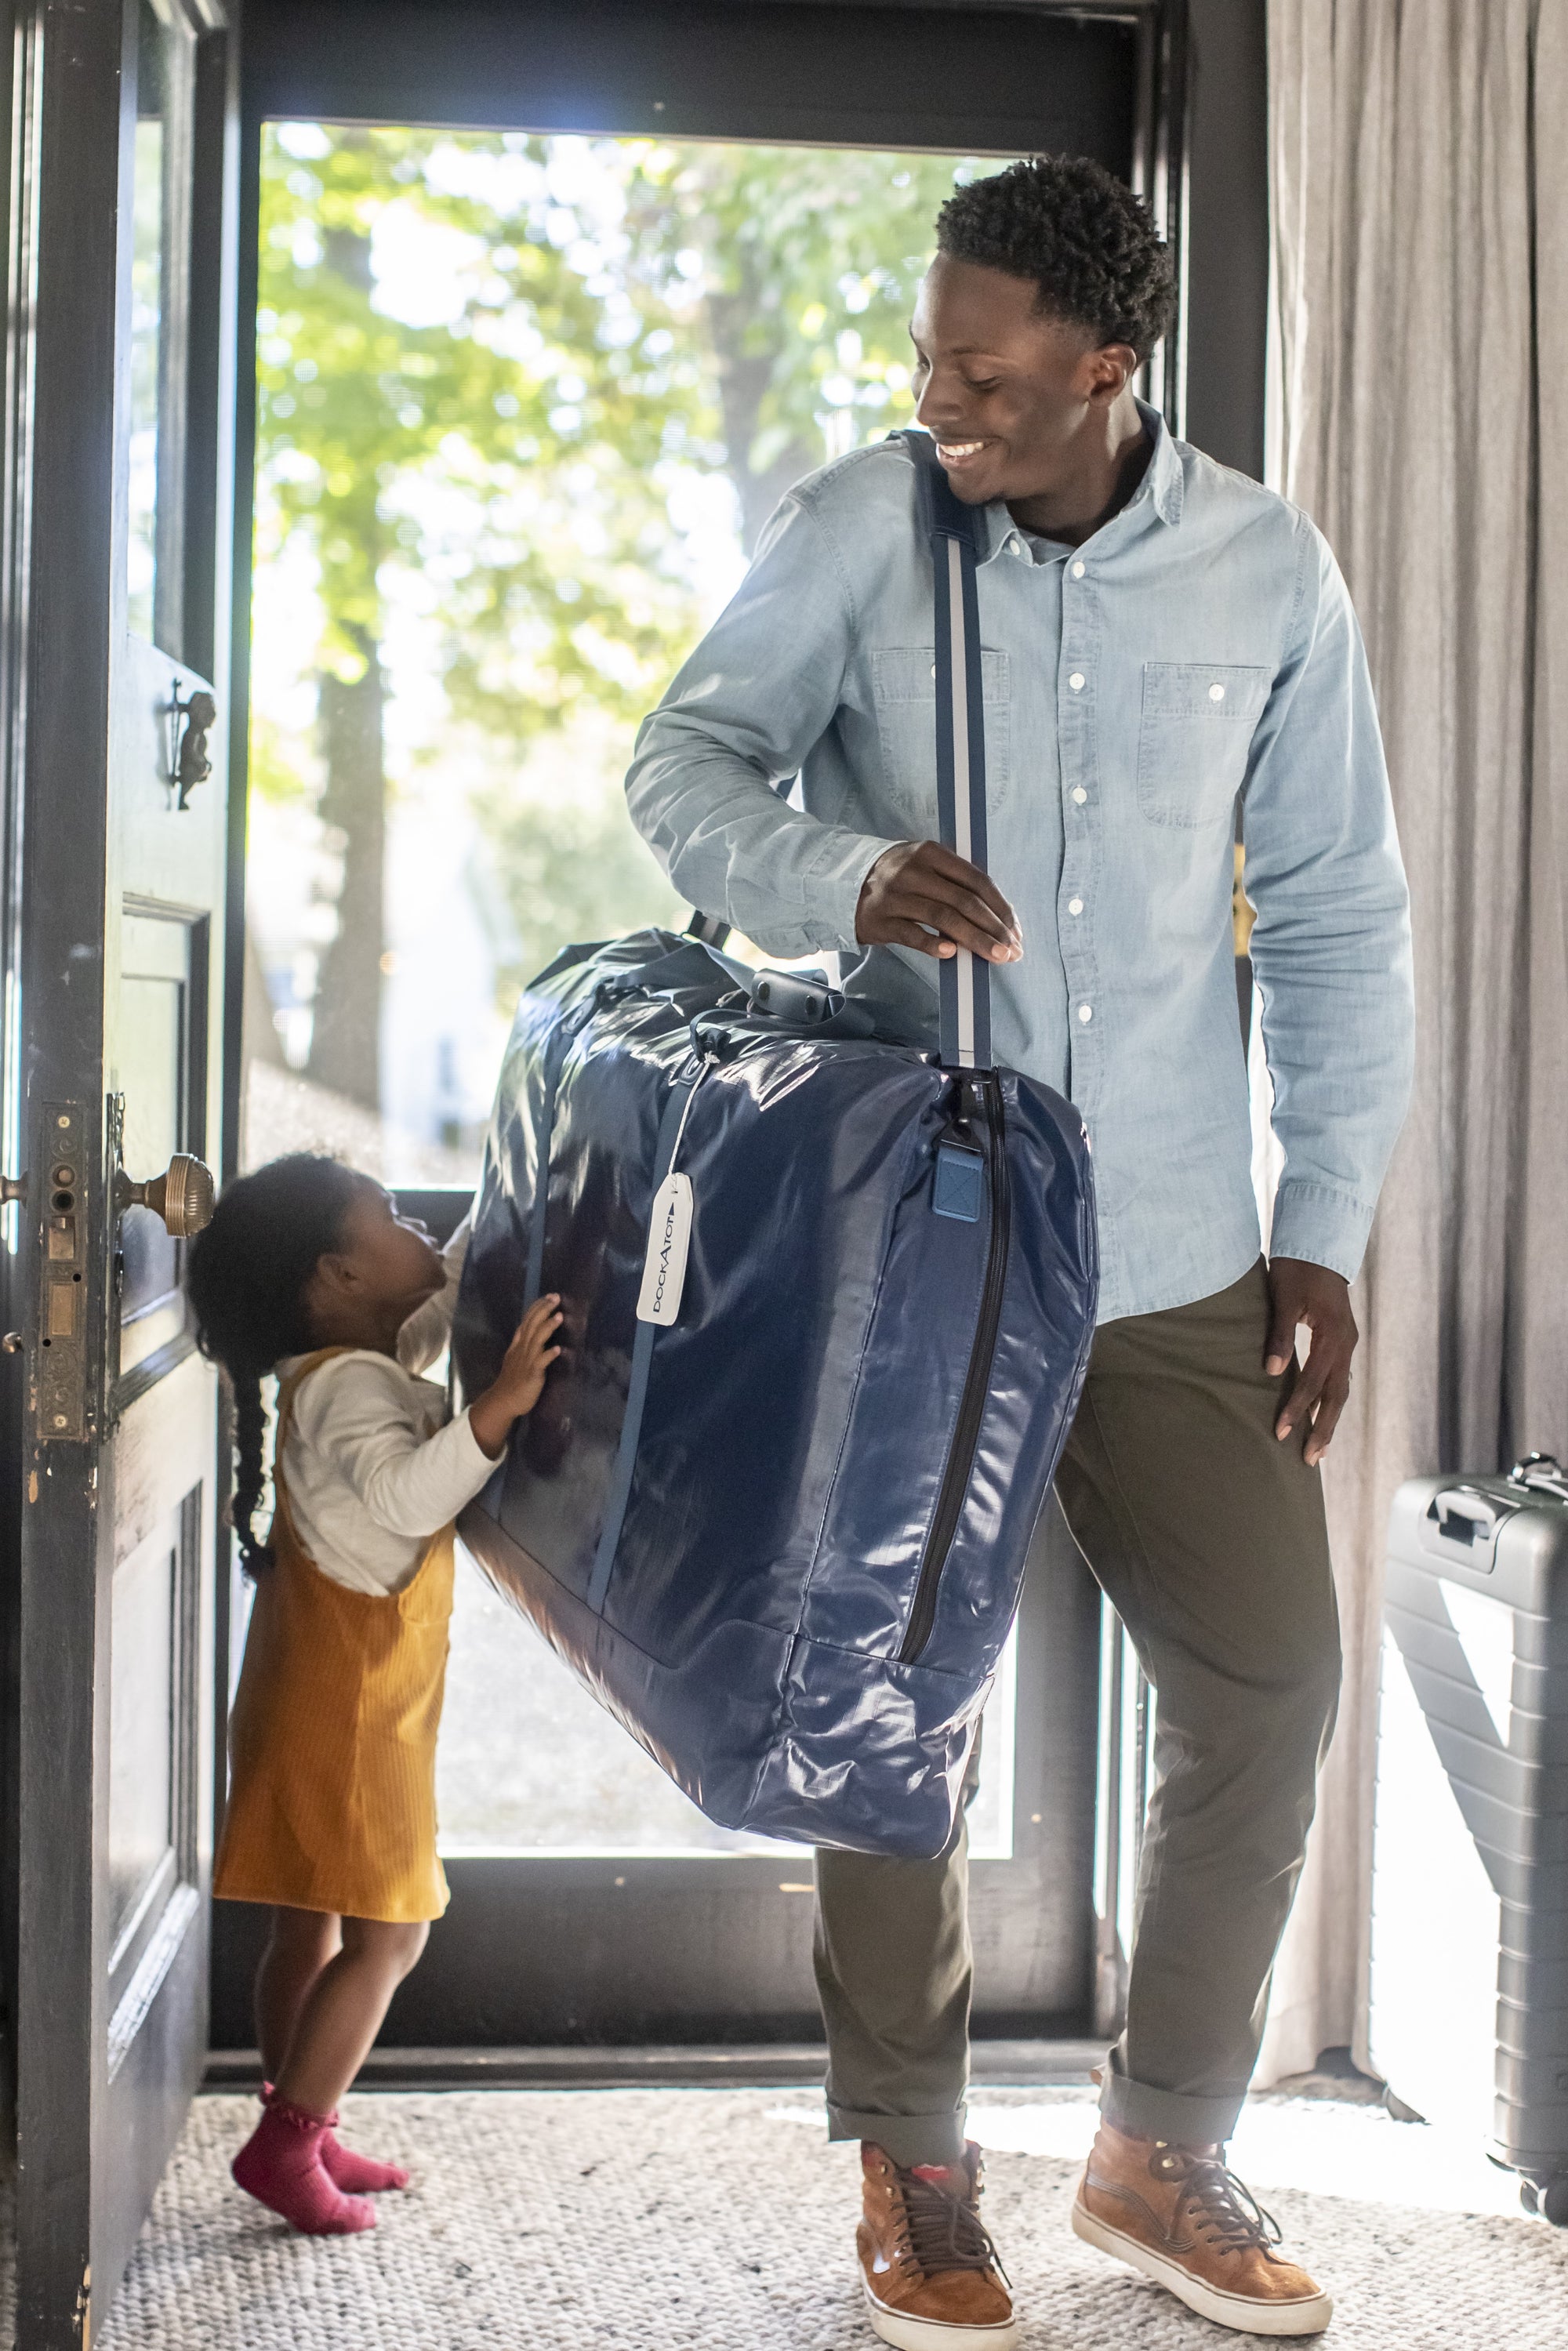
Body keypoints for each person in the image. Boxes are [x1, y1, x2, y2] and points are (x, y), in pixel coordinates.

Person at [626, 154, 1414, 2345]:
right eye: (925, 360)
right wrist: (841, 870)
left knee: (1271, 1681)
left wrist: (1321, 1224)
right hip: (925, 1242)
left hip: (1170, 1243)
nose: (937, 398)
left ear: (1107, 368)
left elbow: (1342, 911)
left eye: (982, 372)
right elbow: (683, 766)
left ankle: (1163, 2154)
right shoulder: (866, 524)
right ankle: (919, 2170)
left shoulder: (1265, 568)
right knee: (894, 1708)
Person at [188, 1154, 561, 2236]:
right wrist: (498, 1410)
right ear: (339, 1275)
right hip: (355, 1719)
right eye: (392, 1218)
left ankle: (298, 2106)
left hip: (306, 1695)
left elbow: (431, 1303)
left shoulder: (342, 1361)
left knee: (306, 1930)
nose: (415, 1230)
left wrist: (486, 1232)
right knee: (390, 1939)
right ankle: (287, 2143)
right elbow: (406, 1497)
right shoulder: (354, 1385)